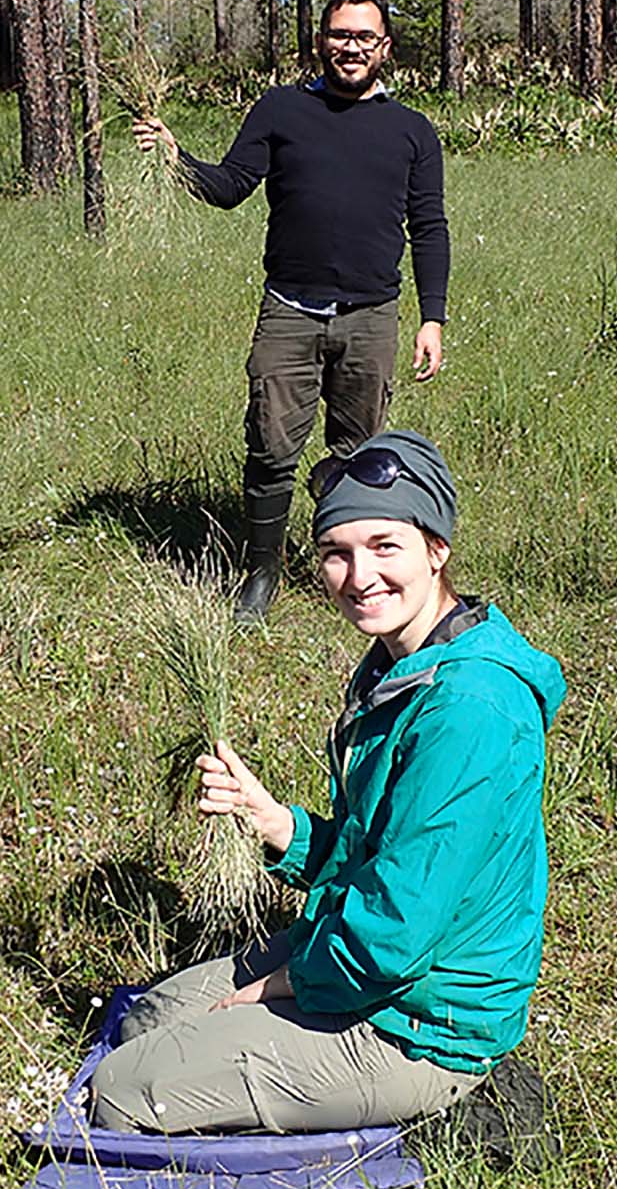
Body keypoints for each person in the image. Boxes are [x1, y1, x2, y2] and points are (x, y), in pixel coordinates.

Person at [88, 432, 566, 1135]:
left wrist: (276, 987)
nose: (358, 575)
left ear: (438, 548)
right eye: (336, 553)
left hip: (422, 1021)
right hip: (370, 958)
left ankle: (447, 1101)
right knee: (147, 1022)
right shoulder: (395, 667)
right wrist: (278, 823)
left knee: (123, 1091)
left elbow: (396, 931)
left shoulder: (470, 710)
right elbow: (379, 854)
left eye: (384, 545)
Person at [132, 0, 451, 625]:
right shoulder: (280, 110)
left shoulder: (411, 131)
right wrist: (176, 156)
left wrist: (432, 316)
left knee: (362, 454)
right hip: (290, 310)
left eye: (364, 37)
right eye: (340, 35)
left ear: (384, 48)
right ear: (321, 41)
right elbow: (229, 188)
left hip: (371, 315)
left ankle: (346, 560)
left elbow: (430, 225)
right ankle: (262, 572)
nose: (351, 47)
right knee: (271, 446)